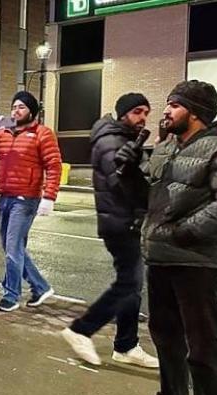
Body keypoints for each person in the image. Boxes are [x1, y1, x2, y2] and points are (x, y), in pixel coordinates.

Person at [129, 80, 217, 395]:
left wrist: (186, 233)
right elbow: (151, 196)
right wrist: (129, 172)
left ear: (194, 112)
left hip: (197, 260)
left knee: (204, 341)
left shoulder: (215, 146)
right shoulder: (166, 146)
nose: (165, 111)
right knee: (164, 332)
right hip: (161, 254)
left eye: (173, 105)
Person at [60, 93, 158, 369]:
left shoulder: (123, 138)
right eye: (138, 112)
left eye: (146, 113)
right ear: (123, 113)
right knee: (128, 283)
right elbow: (121, 182)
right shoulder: (112, 141)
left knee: (133, 285)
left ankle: (126, 346)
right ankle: (81, 330)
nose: (143, 118)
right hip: (120, 222)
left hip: (124, 221)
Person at [0, 91, 62, 312]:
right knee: (12, 247)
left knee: (13, 248)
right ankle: (40, 286)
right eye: (13, 107)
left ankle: (11, 295)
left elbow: (54, 165)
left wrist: (49, 196)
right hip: (4, 197)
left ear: (31, 111)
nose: (16, 111)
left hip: (26, 200)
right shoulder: (3, 133)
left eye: (21, 107)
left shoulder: (42, 134)